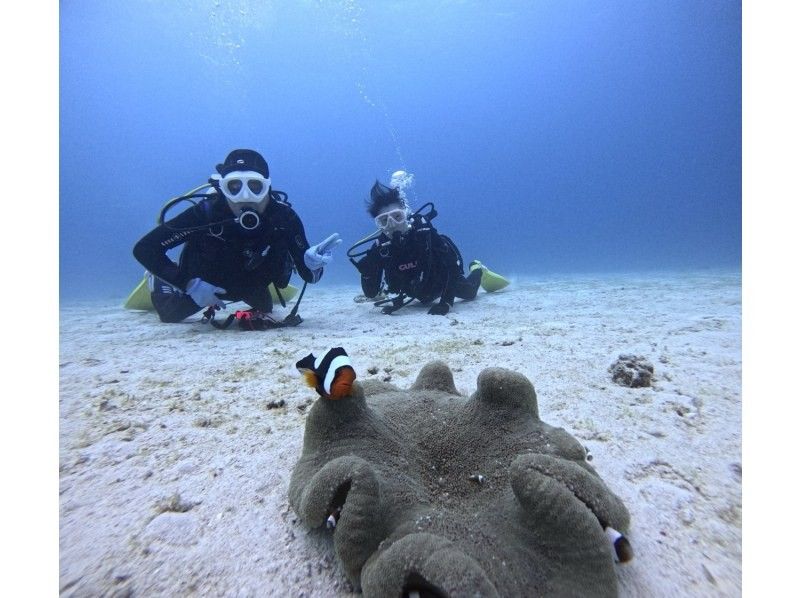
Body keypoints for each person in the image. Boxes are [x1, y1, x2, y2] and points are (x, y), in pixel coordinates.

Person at [133, 149, 341, 323]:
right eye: (234, 186)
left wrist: (313, 265)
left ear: (267, 186)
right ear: (223, 188)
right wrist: (188, 283)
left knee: (266, 308)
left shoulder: (283, 217)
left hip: (250, 283)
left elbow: (309, 277)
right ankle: (157, 279)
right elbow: (146, 248)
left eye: (254, 186)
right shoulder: (206, 213)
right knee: (170, 315)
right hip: (206, 283)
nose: (244, 196)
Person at [349, 172, 483, 316]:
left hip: (441, 283)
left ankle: (478, 268)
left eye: (397, 216)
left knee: (470, 293)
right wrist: (367, 274)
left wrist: (446, 302)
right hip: (415, 292)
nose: (392, 224)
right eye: (384, 220)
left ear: (406, 214)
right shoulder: (381, 248)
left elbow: (452, 270)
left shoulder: (424, 234)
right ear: (379, 224)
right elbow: (371, 293)